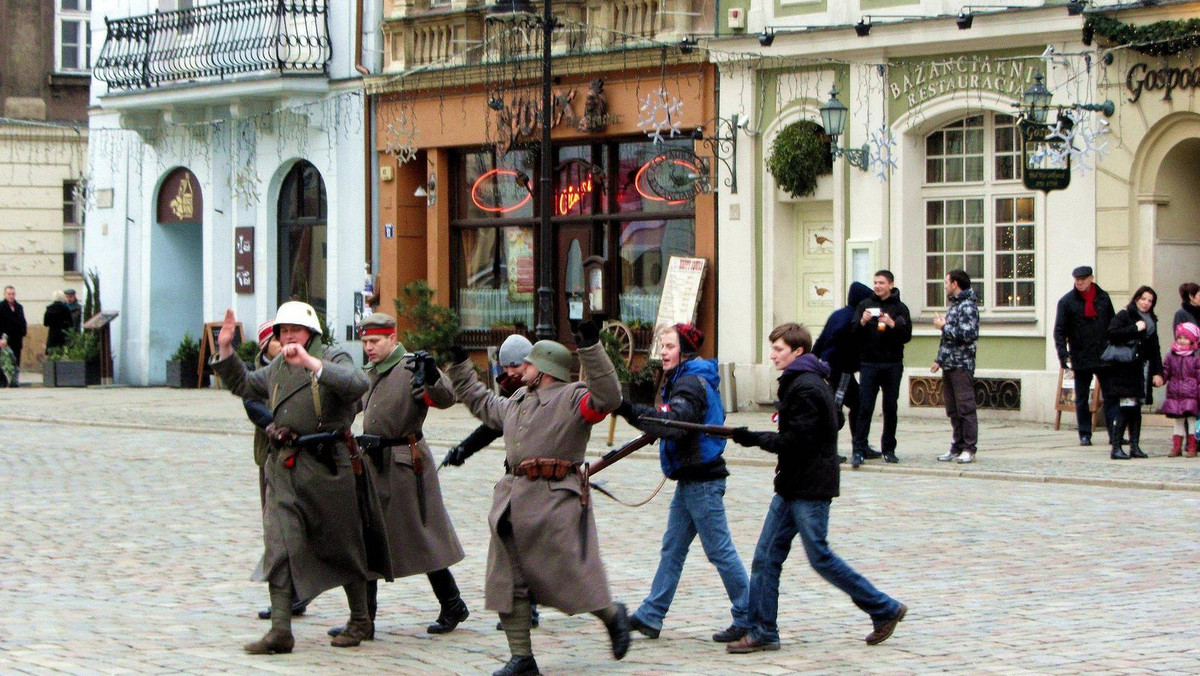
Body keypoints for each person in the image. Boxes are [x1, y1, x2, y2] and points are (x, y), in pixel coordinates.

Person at [447, 322, 631, 676]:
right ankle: (522, 658)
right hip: (513, 502)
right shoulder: (518, 400)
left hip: (555, 502)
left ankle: (611, 614)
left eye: (527, 364)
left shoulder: (575, 398)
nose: (519, 369)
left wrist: (591, 348)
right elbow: (483, 403)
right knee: (508, 580)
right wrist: (459, 366)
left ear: (545, 369)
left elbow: (608, 397)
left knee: (570, 578)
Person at [212, 302, 383, 654]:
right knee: (279, 545)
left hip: (328, 466)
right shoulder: (277, 366)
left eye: (296, 330)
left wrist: (311, 364)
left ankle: (361, 619)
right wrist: (226, 348)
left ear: (311, 332)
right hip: (286, 465)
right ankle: (280, 630)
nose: (289, 336)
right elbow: (245, 384)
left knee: (343, 545)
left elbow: (357, 385)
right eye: (283, 330)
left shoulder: (333, 357)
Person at [726, 322, 906, 654]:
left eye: (779, 349)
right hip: (792, 485)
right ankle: (763, 629)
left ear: (798, 352)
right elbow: (832, 419)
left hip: (809, 486)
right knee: (765, 558)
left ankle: (883, 607)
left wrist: (755, 439)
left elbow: (798, 440)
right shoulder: (804, 382)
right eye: (773, 348)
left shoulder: (806, 386)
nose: (773, 354)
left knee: (820, 557)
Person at [326, 312, 470, 639]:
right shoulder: (371, 373)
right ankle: (366, 619)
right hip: (373, 460)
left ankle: (452, 603)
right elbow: (353, 408)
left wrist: (433, 374)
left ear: (392, 337)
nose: (369, 348)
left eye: (375, 341)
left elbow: (445, 398)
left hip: (407, 462)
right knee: (369, 538)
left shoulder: (410, 368)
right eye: (365, 342)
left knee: (422, 537)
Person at [610, 323, 750, 644]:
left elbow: (675, 421)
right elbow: (671, 419)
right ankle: (651, 614)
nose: (663, 351)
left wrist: (629, 409)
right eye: (662, 346)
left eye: (670, 346)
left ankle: (750, 616)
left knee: (719, 551)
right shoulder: (685, 377)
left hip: (702, 479)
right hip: (689, 478)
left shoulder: (689, 382)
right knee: (673, 548)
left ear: (685, 351)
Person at [441, 333, 542, 631]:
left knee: (528, 544)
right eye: (506, 366)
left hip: (536, 477)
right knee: (514, 542)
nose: (510, 372)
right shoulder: (510, 389)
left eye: (515, 366)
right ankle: (524, 606)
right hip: (517, 478)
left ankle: (531, 606)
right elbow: (494, 425)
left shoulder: (540, 388)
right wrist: (464, 449)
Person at [244, 321, 310, 622]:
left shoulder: (303, 363)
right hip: (272, 457)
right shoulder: (260, 374)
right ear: (265, 345)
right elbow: (254, 407)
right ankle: (289, 596)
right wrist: (279, 424)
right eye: (278, 337)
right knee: (278, 530)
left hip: (306, 456)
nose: (286, 340)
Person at [852, 270, 912, 465]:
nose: (878, 286)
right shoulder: (865, 305)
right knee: (865, 407)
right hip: (869, 363)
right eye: (875, 282)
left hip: (892, 364)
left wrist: (891, 323)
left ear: (891, 285)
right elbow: (852, 332)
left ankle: (889, 449)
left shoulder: (900, 308)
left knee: (890, 407)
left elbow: (906, 335)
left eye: (882, 283)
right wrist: (862, 322)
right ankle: (859, 449)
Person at [1053, 266, 1118, 447]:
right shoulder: (1067, 301)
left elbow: (1112, 323)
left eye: (1083, 279)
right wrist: (1063, 354)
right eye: (1077, 279)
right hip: (1081, 354)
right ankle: (1084, 433)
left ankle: (1114, 434)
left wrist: (1114, 347)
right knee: (1082, 397)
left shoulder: (1103, 298)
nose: (1079, 282)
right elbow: (1059, 330)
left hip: (1104, 355)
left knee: (1111, 395)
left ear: (1091, 278)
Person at [813, 281, 876, 460]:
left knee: (856, 404)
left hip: (835, 367)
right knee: (835, 409)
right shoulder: (852, 318)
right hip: (841, 370)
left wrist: (812, 359)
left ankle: (860, 444)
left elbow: (822, 338)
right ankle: (827, 450)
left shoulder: (838, 314)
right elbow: (837, 340)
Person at [1106, 286, 1164, 460]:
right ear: (1137, 299)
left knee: (1136, 409)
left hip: (1141, 370)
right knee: (1126, 407)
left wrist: (1158, 372)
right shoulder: (1125, 315)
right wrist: (1134, 328)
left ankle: (1134, 446)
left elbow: (1155, 349)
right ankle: (1116, 447)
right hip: (1125, 369)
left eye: (1150, 300)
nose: (1146, 303)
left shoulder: (1151, 320)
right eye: (1143, 299)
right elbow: (1112, 334)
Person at [931, 270, 980, 464]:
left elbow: (967, 335)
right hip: (950, 364)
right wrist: (939, 360)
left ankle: (969, 447)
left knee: (965, 407)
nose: (944, 285)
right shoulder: (955, 305)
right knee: (953, 409)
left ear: (955, 284)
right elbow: (948, 341)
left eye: (946, 282)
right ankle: (957, 445)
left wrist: (944, 327)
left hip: (962, 364)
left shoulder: (967, 306)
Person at [1160, 322, 1200, 458]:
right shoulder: (1171, 355)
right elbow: (1166, 371)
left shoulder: (1195, 357)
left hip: (1191, 393)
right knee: (1178, 421)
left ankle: (1192, 447)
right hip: (1175, 393)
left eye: (1185, 337)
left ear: (1193, 339)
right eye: (1179, 337)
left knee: (1191, 420)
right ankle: (1176, 447)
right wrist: (1161, 379)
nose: (1181, 340)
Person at [0, 286, 27, 387]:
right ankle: (2, 381)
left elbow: (23, 321)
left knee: (16, 360)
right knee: (3, 360)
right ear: (5, 294)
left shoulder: (19, 307)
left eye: (13, 294)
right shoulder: (1, 306)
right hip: (4, 339)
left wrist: (23, 331)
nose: (11, 296)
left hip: (16, 338)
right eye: (9, 294)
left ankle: (14, 381)